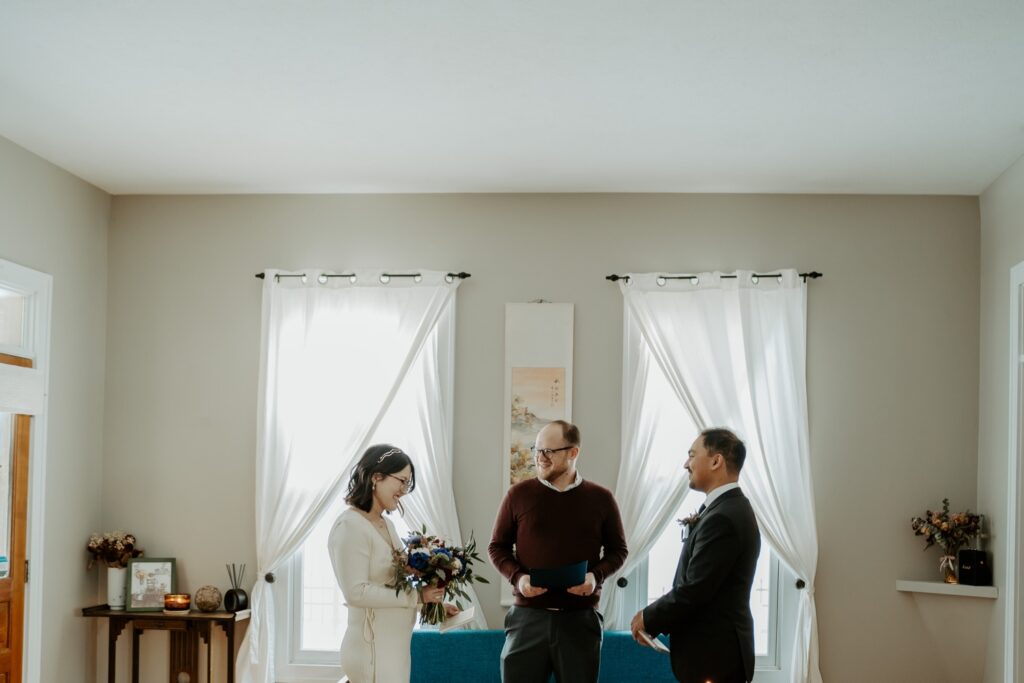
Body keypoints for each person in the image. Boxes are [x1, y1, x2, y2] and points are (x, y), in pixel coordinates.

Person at [489, 420, 628, 683]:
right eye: (536, 450)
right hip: (526, 620)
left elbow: (618, 550)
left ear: (573, 453)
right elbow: (497, 547)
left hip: (580, 621)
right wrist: (519, 578)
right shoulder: (518, 494)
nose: (539, 458)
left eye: (548, 451)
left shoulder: (602, 498)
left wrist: (595, 577)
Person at [630, 428, 761, 683]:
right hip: (715, 654)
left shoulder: (723, 517)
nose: (685, 464)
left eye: (691, 455)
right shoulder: (728, 508)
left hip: (714, 656)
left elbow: (696, 589)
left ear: (716, 461)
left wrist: (649, 617)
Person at [328, 444, 456, 683]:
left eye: (407, 484)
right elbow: (356, 593)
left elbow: (393, 585)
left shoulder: (387, 525)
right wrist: (419, 597)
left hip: (393, 647)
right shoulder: (350, 526)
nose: (404, 491)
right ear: (376, 477)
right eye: (402, 481)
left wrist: (431, 606)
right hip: (370, 649)